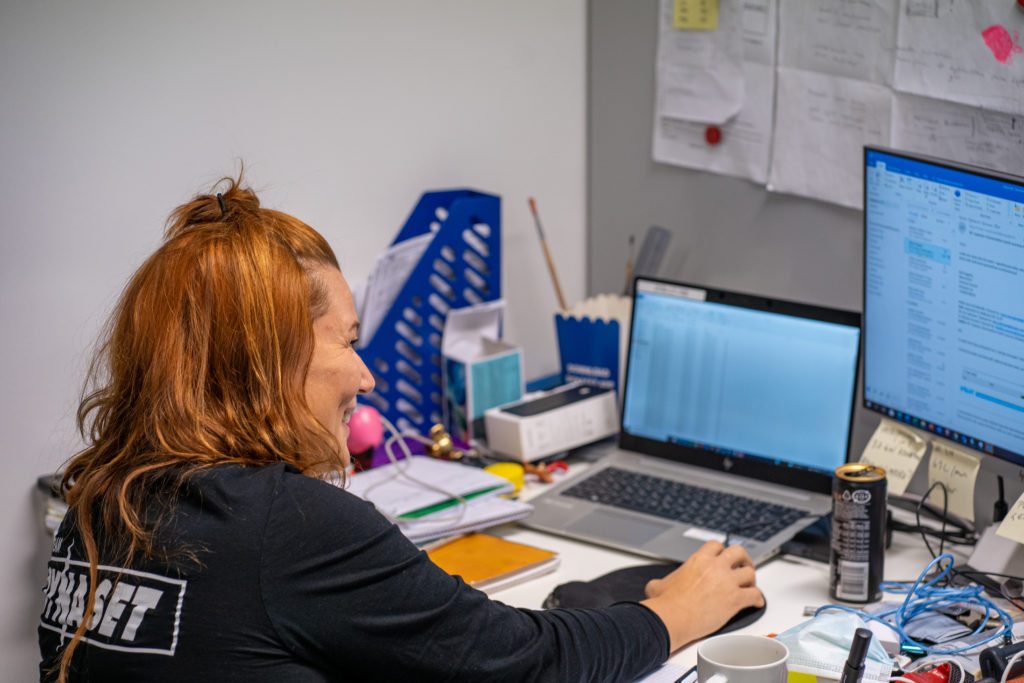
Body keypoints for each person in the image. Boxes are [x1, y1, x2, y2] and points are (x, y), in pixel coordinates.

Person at [39, 176, 763, 682]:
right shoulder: (287, 525)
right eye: (348, 341)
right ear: (267, 361)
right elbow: (522, 662)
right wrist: (672, 613)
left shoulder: (99, 503)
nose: (366, 376)